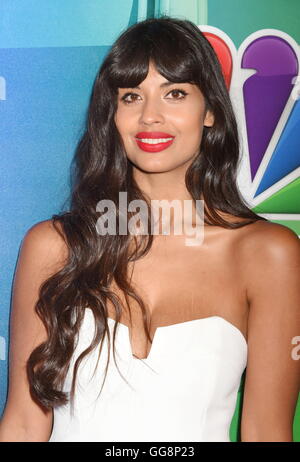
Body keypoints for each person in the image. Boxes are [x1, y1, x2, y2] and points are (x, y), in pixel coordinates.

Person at [0, 16, 299, 443]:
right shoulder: (55, 247)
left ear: (210, 110)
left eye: (175, 93)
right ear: (113, 115)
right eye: (131, 96)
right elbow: (24, 425)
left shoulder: (266, 253)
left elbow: (266, 431)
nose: (150, 116)